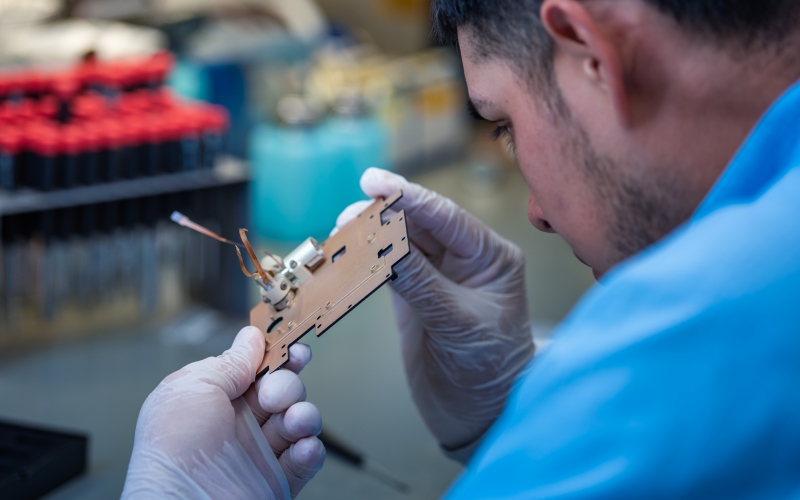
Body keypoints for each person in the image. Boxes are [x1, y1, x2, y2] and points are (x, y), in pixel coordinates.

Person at [123, 0, 800, 497]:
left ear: (591, 53)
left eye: (504, 126)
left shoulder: (679, 341)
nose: (535, 214)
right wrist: (520, 400)